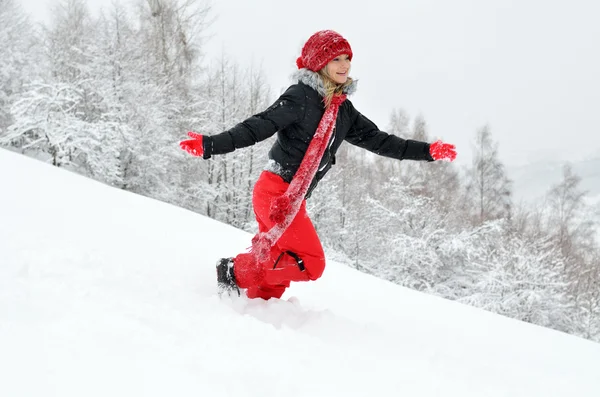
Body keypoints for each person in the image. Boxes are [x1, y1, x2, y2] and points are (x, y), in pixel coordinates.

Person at [180, 30, 456, 300]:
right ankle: (233, 271)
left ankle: (252, 316)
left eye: (348, 58)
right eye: (336, 59)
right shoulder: (300, 97)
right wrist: (211, 144)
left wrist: (428, 151)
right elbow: (259, 125)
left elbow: (381, 141)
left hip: (293, 198)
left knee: (272, 284)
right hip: (275, 192)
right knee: (311, 262)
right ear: (319, 63)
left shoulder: (343, 111)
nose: (345, 65)